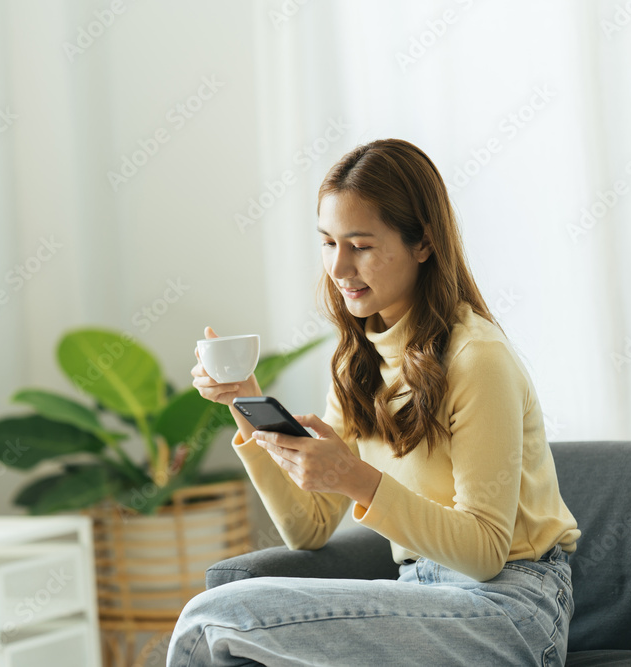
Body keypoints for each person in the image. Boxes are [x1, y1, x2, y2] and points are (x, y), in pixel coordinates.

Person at [167, 138, 581, 666]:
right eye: (327, 242)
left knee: (214, 619)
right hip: (420, 598)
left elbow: (484, 551)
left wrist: (354, 476)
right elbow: (309, 527)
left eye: (360, 245)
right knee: (226, 629)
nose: (339, 268)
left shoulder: (478, 359)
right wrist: (247, 404)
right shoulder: (357, 362)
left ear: (423, 243)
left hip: (510, 608)